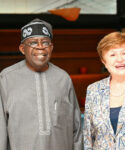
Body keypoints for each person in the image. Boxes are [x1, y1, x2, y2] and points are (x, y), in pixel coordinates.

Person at [0, 18, 82, 150]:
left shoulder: (63, 78)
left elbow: (76, 127)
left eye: (45, 42)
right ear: (22, 49)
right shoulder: (6, 78)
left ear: (51, 47)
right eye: (33, 42)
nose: (40, 46)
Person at [83, 32, 125, 149]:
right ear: (104, 61)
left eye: (124, 53)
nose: (119, 59)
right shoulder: (94, 90)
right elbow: (88, 136)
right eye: (112, 55)